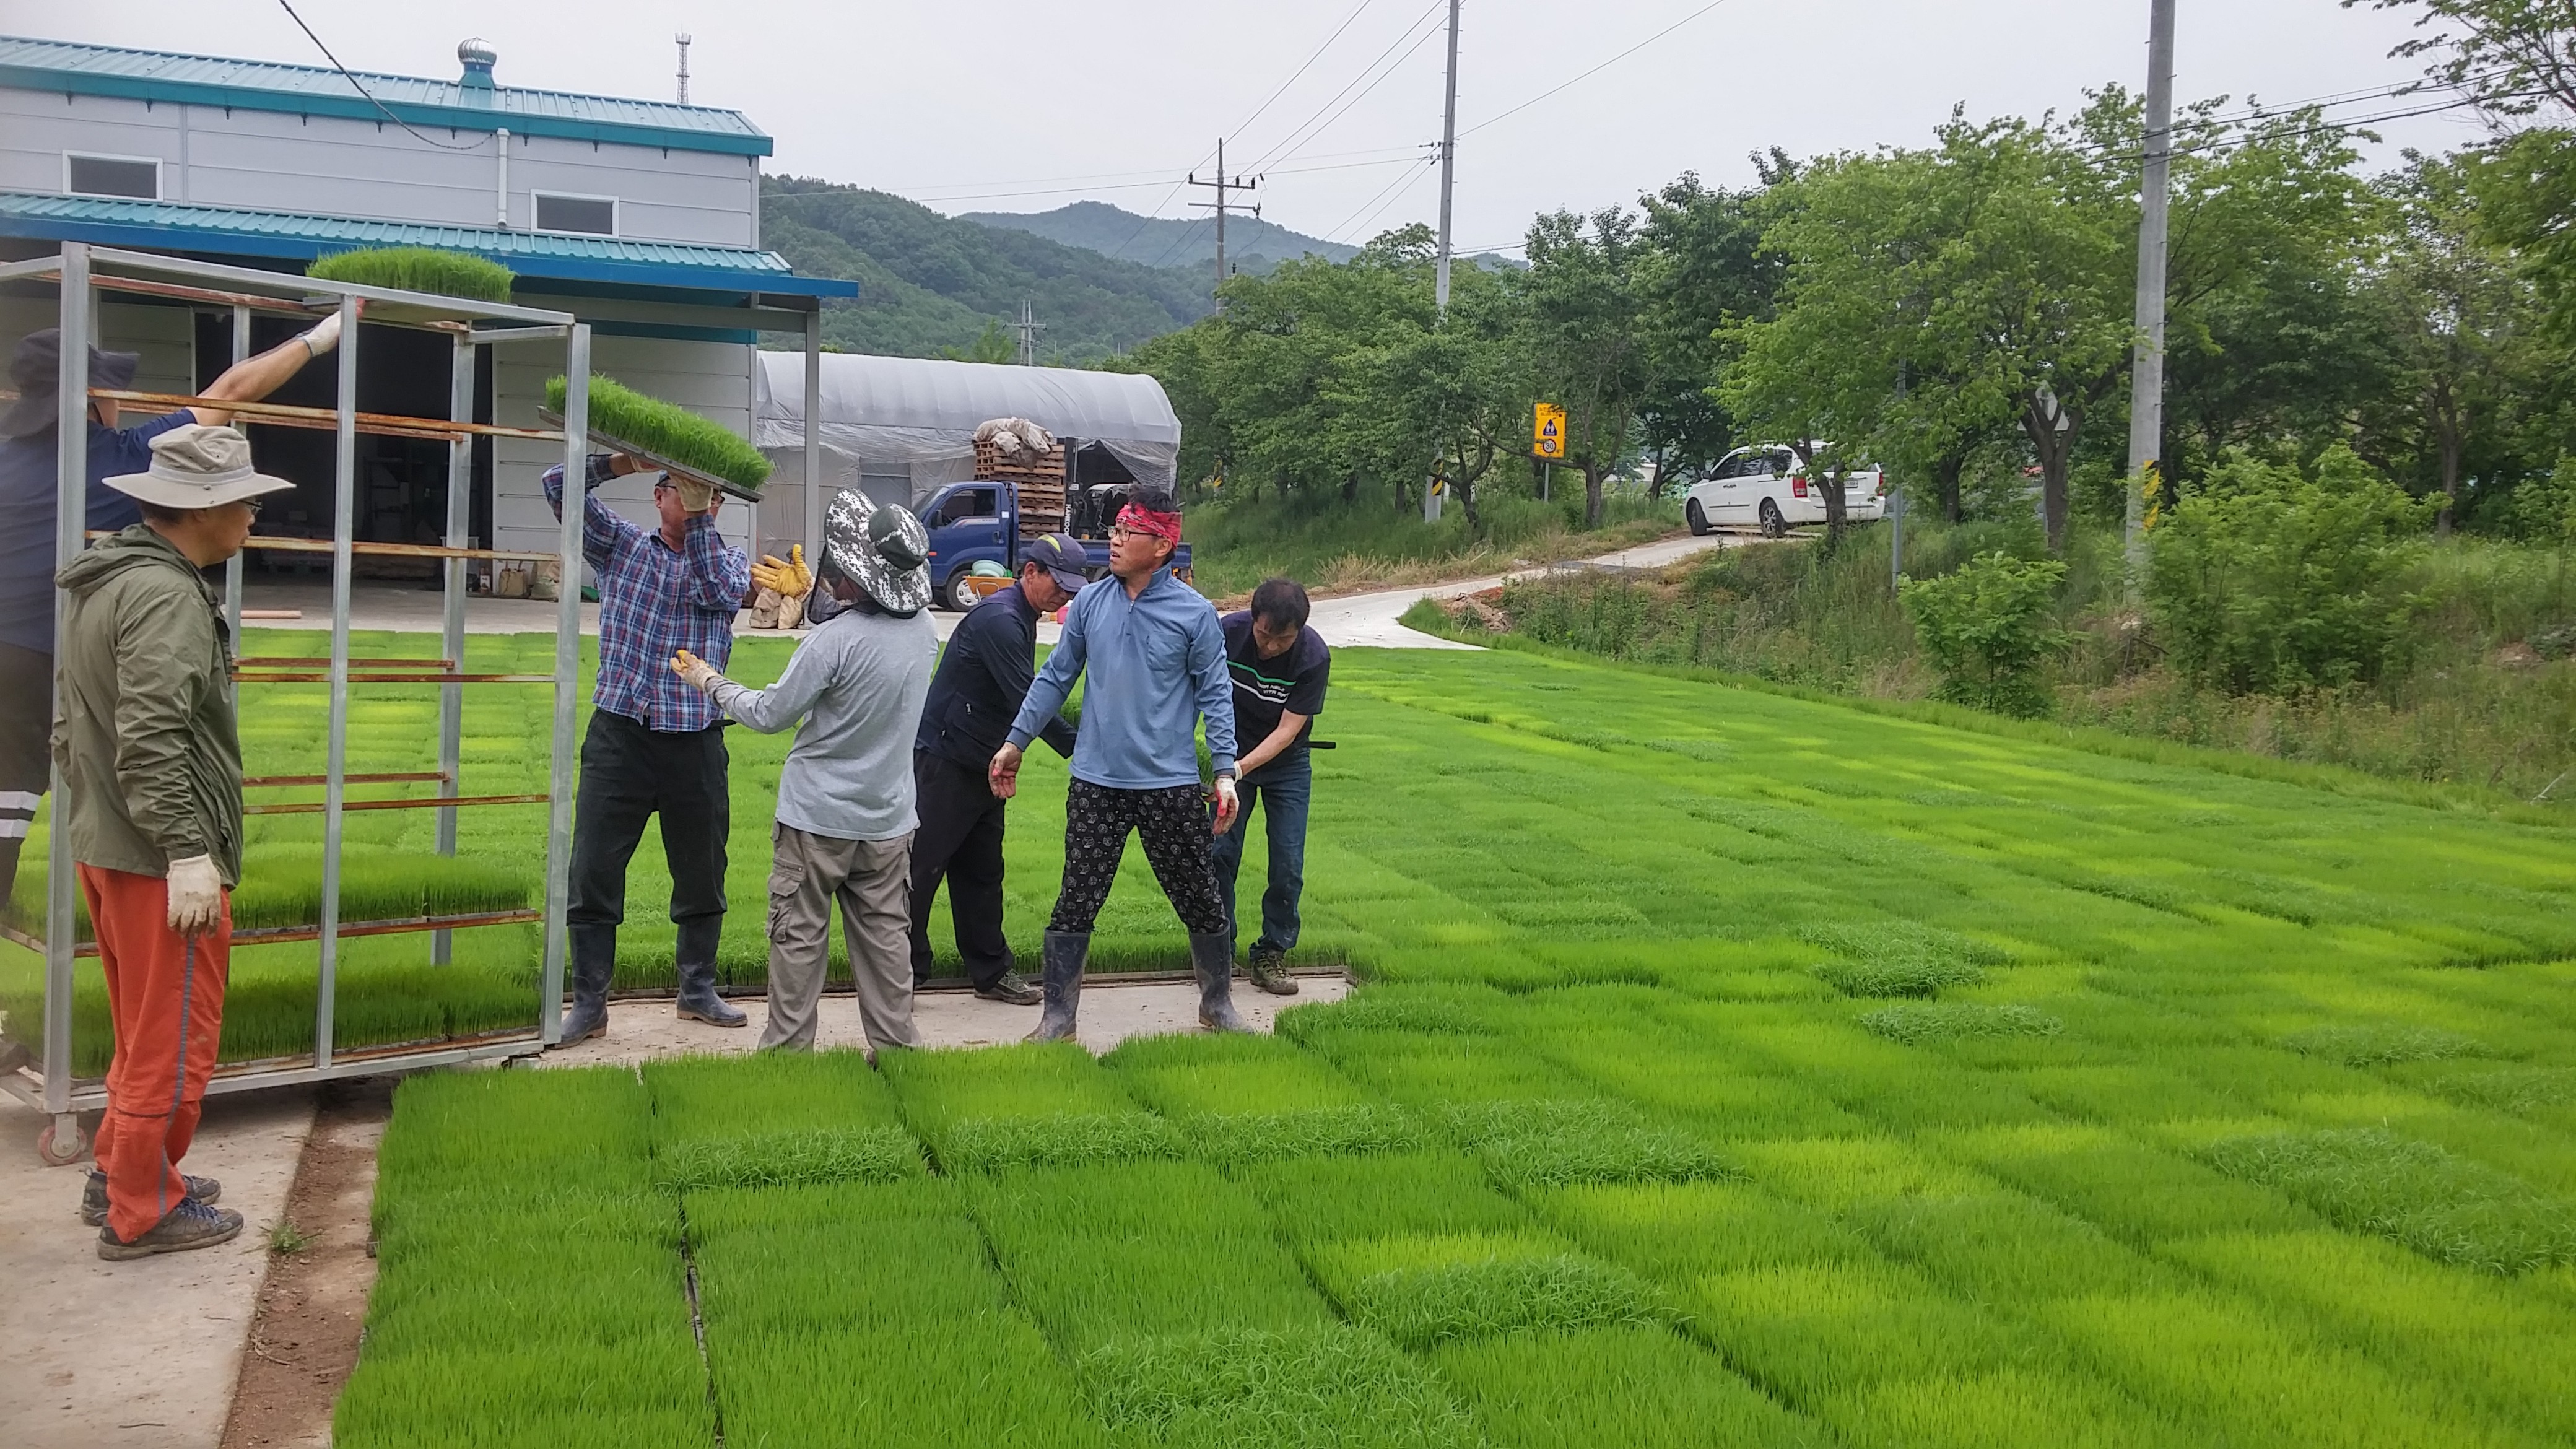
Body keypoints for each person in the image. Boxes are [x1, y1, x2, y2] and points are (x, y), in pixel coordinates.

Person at [1, 318, 348, 900]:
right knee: (80, 799)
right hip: (41, 661)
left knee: (11, 813)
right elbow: (232, 393)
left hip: (25, 655)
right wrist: (320, 337)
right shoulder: (120, 461)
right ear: (92, 398)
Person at [54, 425, 295, 1258]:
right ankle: (143, 1209)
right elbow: (152, 732)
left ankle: (120, 1172)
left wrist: (109, 816)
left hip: (110, 843)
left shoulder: (108, 576)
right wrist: (185, 849)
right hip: (161, 859)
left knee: (138, 1029)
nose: (254, 516)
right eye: (249, 502)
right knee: (172, 1036)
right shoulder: (167, 597)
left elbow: (68, 722)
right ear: (206, 511)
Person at [672, 492, 938, 1054]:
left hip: (816, 822)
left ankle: (788, 1057)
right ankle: (898, 1056)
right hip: (889, 822)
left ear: (860, 578)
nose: (831, 577)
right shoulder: (924, 633)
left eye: (841, 569)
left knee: (797, 939)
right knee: (888, 942)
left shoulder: (833, 642)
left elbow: (770, 714)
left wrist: (709, 681)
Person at [990, 490, 1243, 1042]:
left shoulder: (1195, 615)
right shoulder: (1090, 604)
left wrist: (1225, 771)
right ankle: (1058, 1017)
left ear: (1162, 546)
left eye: (1130, 532)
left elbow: (1216, 695)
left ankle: (1217, 1002)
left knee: (1200, 895)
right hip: (1096, 784)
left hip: (1169, 784)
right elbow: (1056, 676)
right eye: (1118, 528)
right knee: (1075, 897)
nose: (1116, 539)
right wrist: (1016, 742)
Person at [544, 453, 751, 1044]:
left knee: (702, 871)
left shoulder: (728, 565)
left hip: (695, 741)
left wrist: (701, 513)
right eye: (680, 492)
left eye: (710, 499)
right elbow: (557, 484)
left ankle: (697, 990)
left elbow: (715, 589)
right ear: (658, 496)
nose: (692, 504)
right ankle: (589, 1002)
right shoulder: (621, 547)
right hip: (620, 736)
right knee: (593, 870)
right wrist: (622, 461)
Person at [907, 534, 1086, 1005]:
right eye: (1057, 583)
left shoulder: (1020, 616)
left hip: (987, 761)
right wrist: (1085, 752)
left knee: (983, 871)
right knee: (922, 867)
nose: (1063, 595)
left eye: (1071, 587)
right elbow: (1031, 701)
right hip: (945, 760)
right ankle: (903, 972)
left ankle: (990, 972)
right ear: (1030, 573)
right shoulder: (1000, 620)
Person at [1211, 577, 1331, 996]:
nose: (1269, 647)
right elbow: (1199, 693)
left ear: (1298, 630)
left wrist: (1237, 771)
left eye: (1282, 640)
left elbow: (1287, 732)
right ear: (1253, 616)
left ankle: (1271, 953)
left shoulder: (1313, 656)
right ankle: (1218, 951)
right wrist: (1219, 766)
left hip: (1286, 765)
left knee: (1287, 861)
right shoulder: (1227, 634)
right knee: (1220, 854)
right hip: (1230, 756)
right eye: (1264, 635)